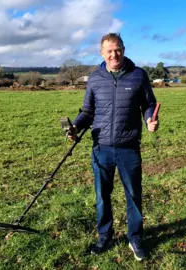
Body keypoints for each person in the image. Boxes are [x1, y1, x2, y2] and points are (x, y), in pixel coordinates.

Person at [68, 33, 159, 261]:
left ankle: (135, 238)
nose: (113, 54)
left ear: (124, 49)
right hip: (102, 148)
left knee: (133, 195)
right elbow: (87, 111)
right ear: (102, 53)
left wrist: (150, 119)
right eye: (109, 50)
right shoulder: (95, 79)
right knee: (102, 196)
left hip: (129, 147)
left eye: (117, 49)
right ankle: (104, 236)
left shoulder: (138, 76)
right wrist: (76, 127)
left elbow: (148, 103)